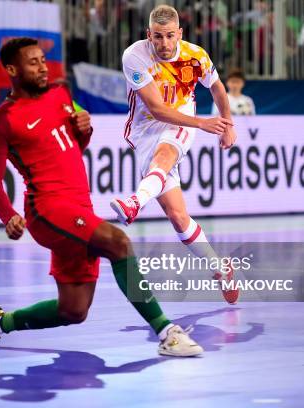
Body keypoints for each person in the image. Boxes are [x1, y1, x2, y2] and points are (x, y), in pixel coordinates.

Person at [0, 37, 203, 357]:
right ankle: (168, 333)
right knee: (118, 243)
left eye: (44, 59)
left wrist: (84, 129)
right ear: (12, 70)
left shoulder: (60, 94)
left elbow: (73, 145)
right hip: (46, 210)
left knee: (74, 310)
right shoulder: (1, 122)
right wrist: (8, 216)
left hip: (78, 206)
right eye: (33, 62)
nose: (43, 66)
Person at [110, 5, 239, 304]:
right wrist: (204, 123)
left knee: (166, 152)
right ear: (148, 35)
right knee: (178, 217)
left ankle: (135, 202)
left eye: (170, 36)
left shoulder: (196, 55)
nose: (164, 44)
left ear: (179, 33)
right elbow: (156, 110)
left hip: (181, 120)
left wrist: (227, 124)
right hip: (145, 130)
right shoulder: (135, 56)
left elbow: (218, 88)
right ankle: (220, 268)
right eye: (158, 37)